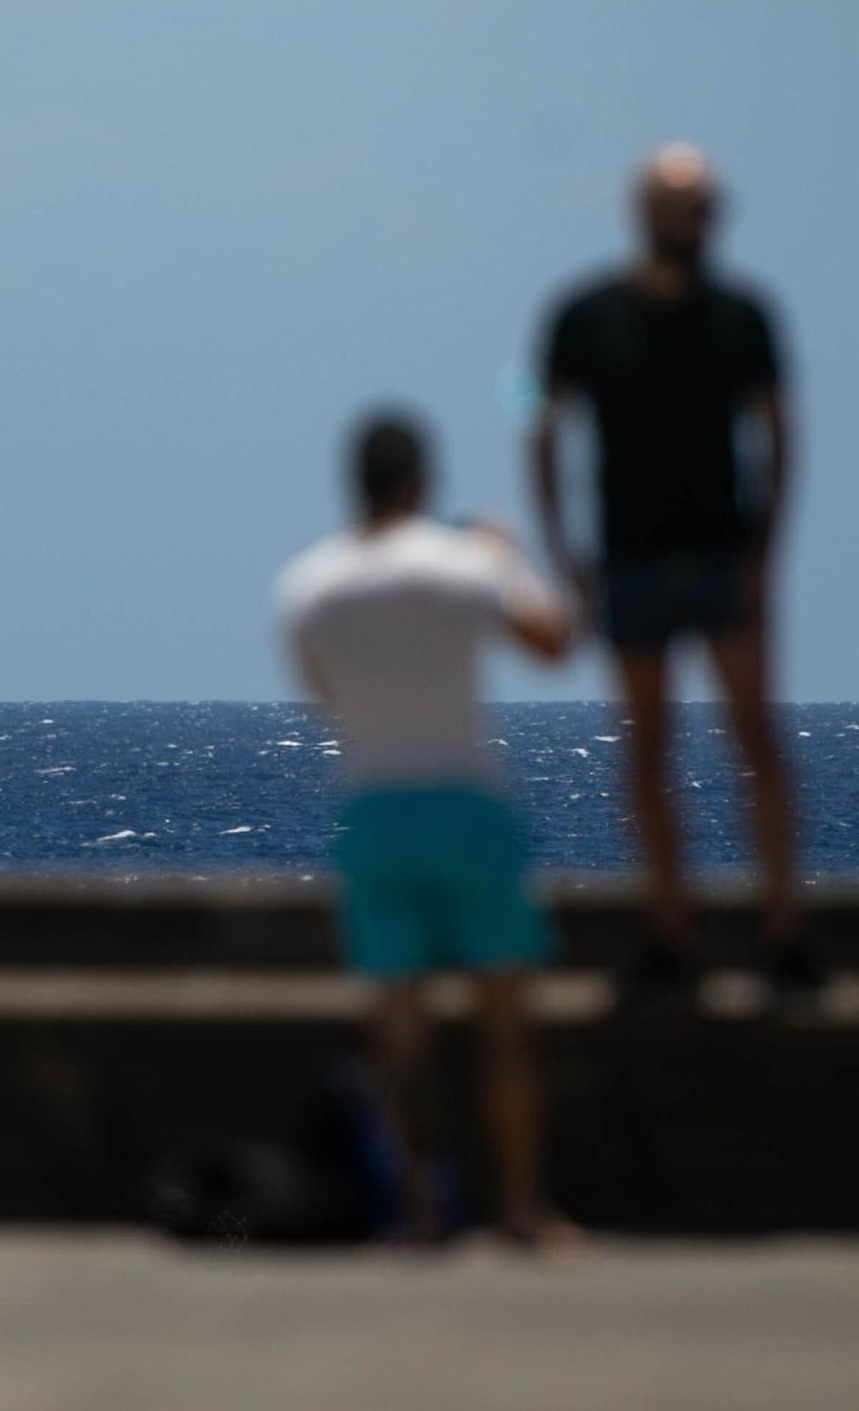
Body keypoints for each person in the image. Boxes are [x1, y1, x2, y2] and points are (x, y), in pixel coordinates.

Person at [277, 412, 575, 1247]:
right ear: (421, 483)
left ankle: (415, 1210)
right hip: (466, 801)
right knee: (506, 1025)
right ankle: (520, 1208)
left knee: (398, 1034)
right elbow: (553, 640)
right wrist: (506, 553)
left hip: (372, 808)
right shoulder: (463, 568)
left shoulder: (310, 585)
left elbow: (323, 693)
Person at [528, 144, 818, 999]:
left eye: (700, 205)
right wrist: (563, 552)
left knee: (756, 738)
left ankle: (784, 927)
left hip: (726, 556)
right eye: (673, 204)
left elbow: (778, 430)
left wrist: (768, 552)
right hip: (631, 558)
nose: (689, 220)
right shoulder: (585, 316)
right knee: (648, 750)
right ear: (640, 211)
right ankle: (669, 929)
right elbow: (544, 427)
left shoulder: (743, 316)